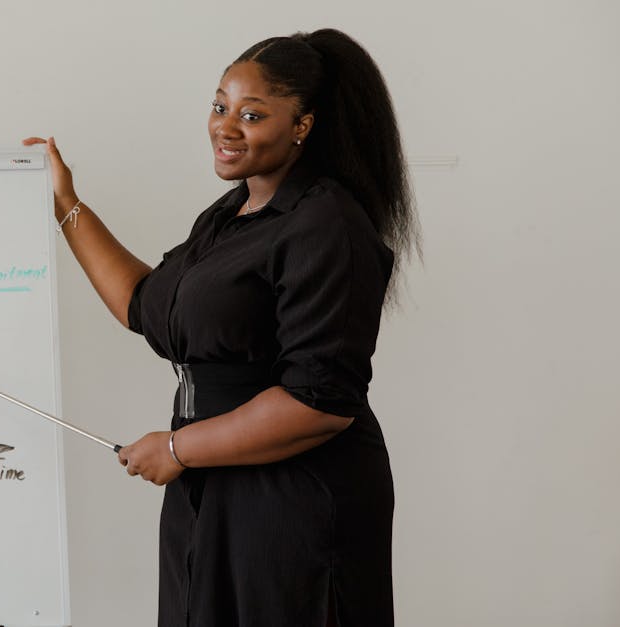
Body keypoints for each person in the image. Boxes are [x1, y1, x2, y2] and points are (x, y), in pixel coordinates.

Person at [24, 28, 419, 627]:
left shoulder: (327, 224)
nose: (225, 127)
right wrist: (64, 203)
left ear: (303, 126)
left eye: (251, 114)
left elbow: (320, 403)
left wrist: (178, 448)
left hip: (292, 497)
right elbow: (143, 305)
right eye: (219, 106)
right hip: (207, 486)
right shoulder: (231, 213)